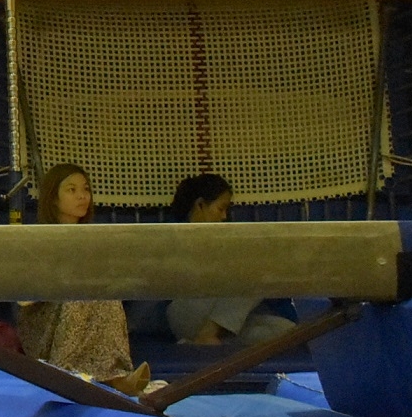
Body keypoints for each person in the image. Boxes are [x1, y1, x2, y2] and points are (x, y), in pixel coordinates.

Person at [17, 163, 145, 392]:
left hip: (86, 312)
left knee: (107, 298)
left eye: (85, 189)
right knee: (79, 297)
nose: (82, 196)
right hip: (45, 326)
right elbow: (24, 299)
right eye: (71, 190)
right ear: (53, 199)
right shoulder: (38, 239)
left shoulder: (94, 239)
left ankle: (116, 377)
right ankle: (65, 374)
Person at [164, 173, 296, 345]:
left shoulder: (223, 240)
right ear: (200, 205)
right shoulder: (172, 238)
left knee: (288, 331)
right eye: (221, 208)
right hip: (188, 312)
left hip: (221, 315)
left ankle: (203, 340)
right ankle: (209, 331)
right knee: (258, 267)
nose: (224, 216)